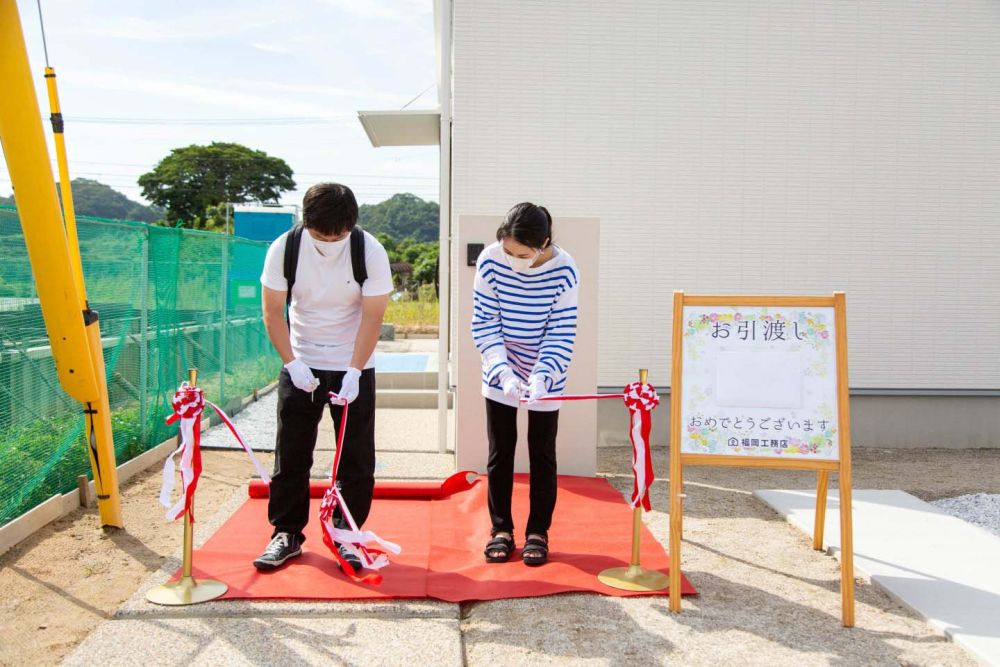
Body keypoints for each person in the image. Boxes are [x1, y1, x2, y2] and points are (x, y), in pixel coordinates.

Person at [254, 183, 392, 571]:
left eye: (340, 234)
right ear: (306, 222)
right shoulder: (285, 249)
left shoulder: (370, 250)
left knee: (356, 458)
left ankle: (346, 533)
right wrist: (293, 363)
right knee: (292, 453)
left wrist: (355, 370)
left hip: (353, 364)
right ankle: (287, 533)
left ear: (352, 224)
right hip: (302, 362)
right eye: (322, 234)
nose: (332, 240)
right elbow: (272, 311)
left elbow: (373, 315)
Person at [472, 202, 579, 566]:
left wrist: (542, 375)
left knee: (542, 452)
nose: (513, 259)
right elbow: (485, 322)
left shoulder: (565, 269)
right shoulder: (490, 261)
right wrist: (502, 370)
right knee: (501, 451)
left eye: (522, 254)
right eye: (508, 251)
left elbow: (562, 330)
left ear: (543, 243)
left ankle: (538, 531)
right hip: (499, 364)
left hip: (547, 370)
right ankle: (500, 529)